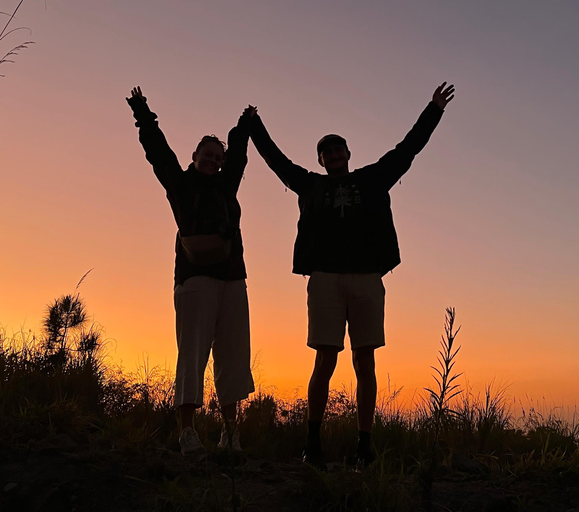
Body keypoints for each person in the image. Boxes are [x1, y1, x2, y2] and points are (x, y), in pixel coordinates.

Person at [248, 82, 455, 467]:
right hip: (325, 279)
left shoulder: (372, 179)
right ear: (322, 159)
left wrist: (434, 110)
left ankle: (365, 445)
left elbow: (407, 150)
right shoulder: (309, 184)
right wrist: (254, 126)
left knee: (365, 362)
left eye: (336, 148)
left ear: (347, 153)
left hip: (366, 279)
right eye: (324, 151)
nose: (331, 154)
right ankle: (313, 444)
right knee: (324, 361)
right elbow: (276, 161)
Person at [126, 86, 256, 455]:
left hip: (233, 279)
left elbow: (240, 155)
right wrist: (143, 112)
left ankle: (231, 433)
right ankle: (187, 432)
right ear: (194, 156)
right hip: (194, 278)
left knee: (233, 354)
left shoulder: (228, 184)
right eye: (207, 154)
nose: (213, 160)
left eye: (218, 156)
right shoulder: (180, 183)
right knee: (193, 354)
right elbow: (157, 151)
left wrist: (244, 125)